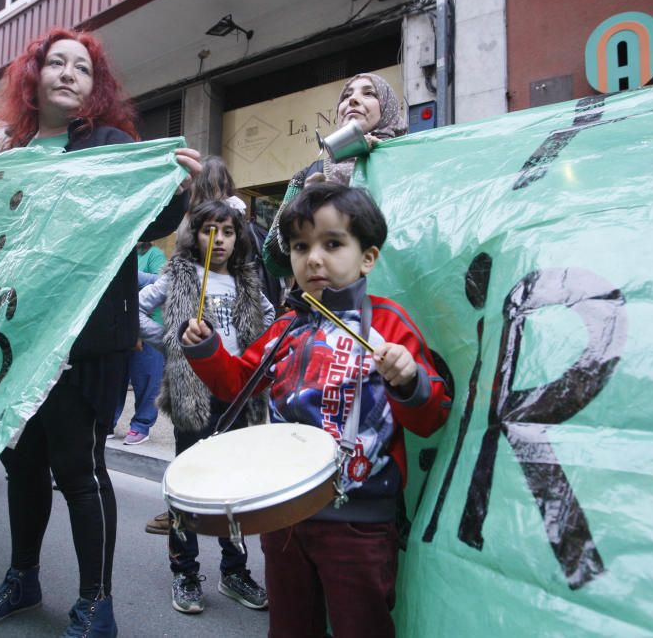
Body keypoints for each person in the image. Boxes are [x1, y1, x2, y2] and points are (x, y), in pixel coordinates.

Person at [0, 27, 200, 637]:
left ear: (95, 88)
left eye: (82, 68)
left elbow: (155, 216)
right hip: (14, 344)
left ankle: (97, 603)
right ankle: (23, 579)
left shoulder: (111, 145)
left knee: (79, 468)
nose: (69, 73)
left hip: (87, 345)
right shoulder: (6, 161)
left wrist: (176, 185)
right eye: (56, 63)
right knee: (22, 464)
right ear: (33, 77)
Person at [181, 182, 451, 637]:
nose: (314, 259)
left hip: (360, 522)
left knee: (360, 626)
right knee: (290, 627)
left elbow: (431, 418)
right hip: (282, 516)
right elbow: (237, 384)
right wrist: (206, 349)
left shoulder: (389, 324)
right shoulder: (285, 328)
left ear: (368, 257)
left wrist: (408, 379)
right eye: (301, 246)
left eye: (332, 244)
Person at [139, 199, 274, 615]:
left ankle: (234, 571)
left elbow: (273, 324)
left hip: (237, 395)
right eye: (209, 230)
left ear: (238, 238)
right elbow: (138, 309)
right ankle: (185, 572)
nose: (218, 239)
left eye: (228, 232)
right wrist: (171, 341)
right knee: (188, 486)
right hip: (192, 394)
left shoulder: (247, 282)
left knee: (233, 488)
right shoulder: (179, 277)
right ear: (194, 235)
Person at [262, 72, 405, 277]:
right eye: (346, 96)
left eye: (369, 93)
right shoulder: (309, 175)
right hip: (325, 305)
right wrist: (303, 212)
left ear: (388, 107)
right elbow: (272, 261)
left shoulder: (406, 165)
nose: (353, 100)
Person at [110, 241, 167, 445]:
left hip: (149, 325)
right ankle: (108, 421)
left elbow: (163, 281)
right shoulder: (123, 250)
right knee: (117, 377)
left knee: (146, 377)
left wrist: (135, 279)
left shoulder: (154, 254)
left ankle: (141, 425)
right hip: (124, 326)